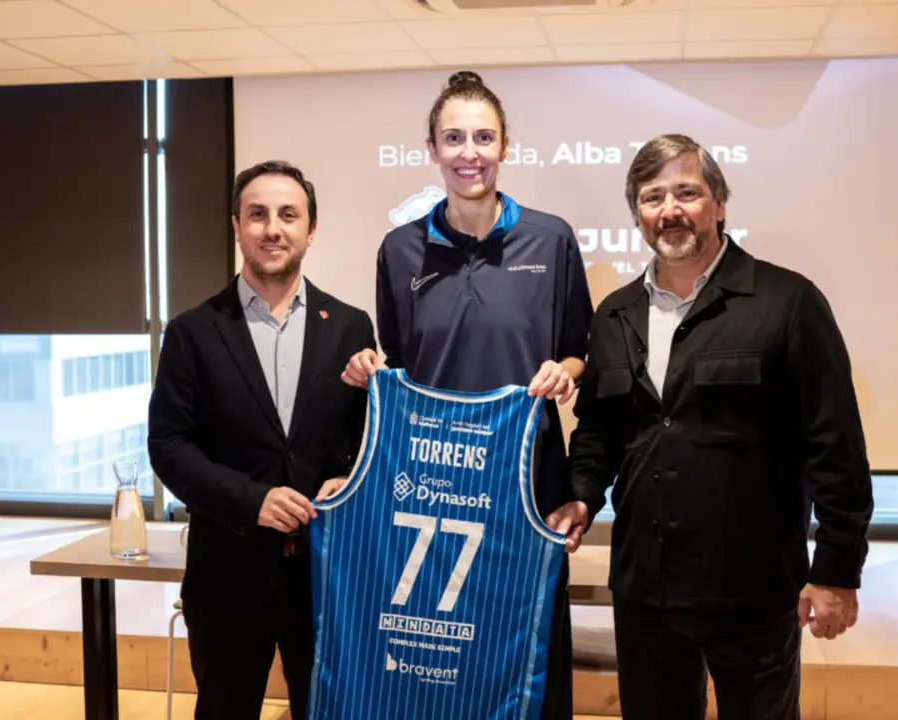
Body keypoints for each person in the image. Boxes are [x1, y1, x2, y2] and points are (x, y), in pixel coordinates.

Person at [562, 133, 874, 720]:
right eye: (653, 197)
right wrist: (580, 494)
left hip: (752, 590)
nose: (670, 211)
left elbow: (835, 446)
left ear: (719, 204)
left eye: (687, 192)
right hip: (644, 589)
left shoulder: (788, 303)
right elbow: (600, 432)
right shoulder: (615, 315)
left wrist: (835, 570)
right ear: (637, 213)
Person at [340, 70, 593, 719]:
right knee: (442, 656)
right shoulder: (400, 251)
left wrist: (565, 372)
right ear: (432, 148)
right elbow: (401, 363)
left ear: (506, 145)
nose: (469, 152)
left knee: (529, 652)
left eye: (483, 136)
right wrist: (372, 369)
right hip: (436, 486)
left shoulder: (552, 237)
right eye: (453, 138)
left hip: (527, 479)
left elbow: (578, 347)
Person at [148, 160, 377, 720]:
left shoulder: (350, 326)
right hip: (227, 576)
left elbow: (371, 438)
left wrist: (351, 477)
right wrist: (255, 502)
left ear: (311, 229)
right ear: (237, 226)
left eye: (288, 215)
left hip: (328, 580)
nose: (273, 228)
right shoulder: (192, 332)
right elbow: (169, 447)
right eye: (258, 215)